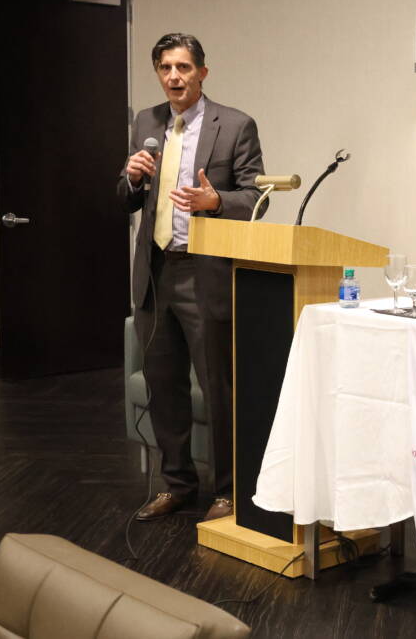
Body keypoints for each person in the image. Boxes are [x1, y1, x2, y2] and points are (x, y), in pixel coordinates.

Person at [118, 33, 266, 522]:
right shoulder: (147, 122)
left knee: (217, 386)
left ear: (202, 72)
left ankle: (226, 491)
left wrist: (216, 201)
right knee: (164, 387)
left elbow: (257, 198)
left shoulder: (236, 125)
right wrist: (133, 178)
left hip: (205, 273)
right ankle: (178, 483)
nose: (174, 77)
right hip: (156, 272)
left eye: (183, 67)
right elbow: (125, 197)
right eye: (165, 68)